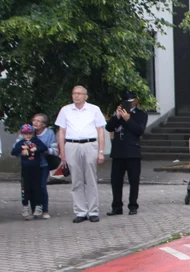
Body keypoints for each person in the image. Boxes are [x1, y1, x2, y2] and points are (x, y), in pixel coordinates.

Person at [56, 85, 107, 223]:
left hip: (90, 144)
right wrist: (62, 152)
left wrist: (101, 151)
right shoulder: (65, 110)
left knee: (90, 178)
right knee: (76, 180)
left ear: (86, 96)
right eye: (74, 93)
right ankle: (80, 211)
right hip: (72, 145)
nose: (76, 96)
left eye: (79, 93)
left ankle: (93, 211)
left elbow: (100, 131)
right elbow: (62, 131)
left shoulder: (94, 109)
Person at [104, 91, 147, 216]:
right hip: (118, 152)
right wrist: (116, 117)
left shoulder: (140, 114)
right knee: (116, 181)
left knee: (134, 180)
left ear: (135, 101)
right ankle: (116, 206)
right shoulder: (117, 113)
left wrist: (128, 119)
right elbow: (109, 128)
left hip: (133, 152)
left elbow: (139, 131)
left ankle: (133, 205)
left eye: (129, 101)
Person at [25, 114, 58, 219]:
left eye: (38, 121)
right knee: (30, 187)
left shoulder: (49, 133)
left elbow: (55, 150)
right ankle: (34, 210)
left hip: (43, 164)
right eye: (34, 120)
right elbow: (17, 145)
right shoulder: (27, 131)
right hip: (29, 165)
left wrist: (42, 149)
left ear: (44, 124)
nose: (35, 123)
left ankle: (45, 210)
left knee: (42, 187)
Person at [12, 124, 48, 219]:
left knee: (37, 187)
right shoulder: (21, 142)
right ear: (22, 134)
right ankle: (25, 207)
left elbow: (44, 148)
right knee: (25, 188)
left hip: (36, 169)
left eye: (29, 133)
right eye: (25, 134)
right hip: (25, 170)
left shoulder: (36, 141)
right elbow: (13, 151)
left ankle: (38, 206)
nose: (27, 135)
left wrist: (36, 148)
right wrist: (21, 150)